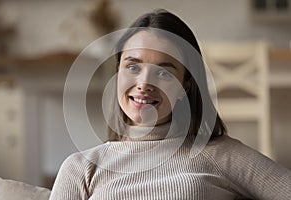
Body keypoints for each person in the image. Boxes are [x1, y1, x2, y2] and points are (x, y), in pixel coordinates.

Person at [50, 9, 291, 200]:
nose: (144, 83)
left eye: (164, 73)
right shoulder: (80, 168)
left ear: (185, 85)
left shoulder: (220, 155)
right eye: (132, 67)